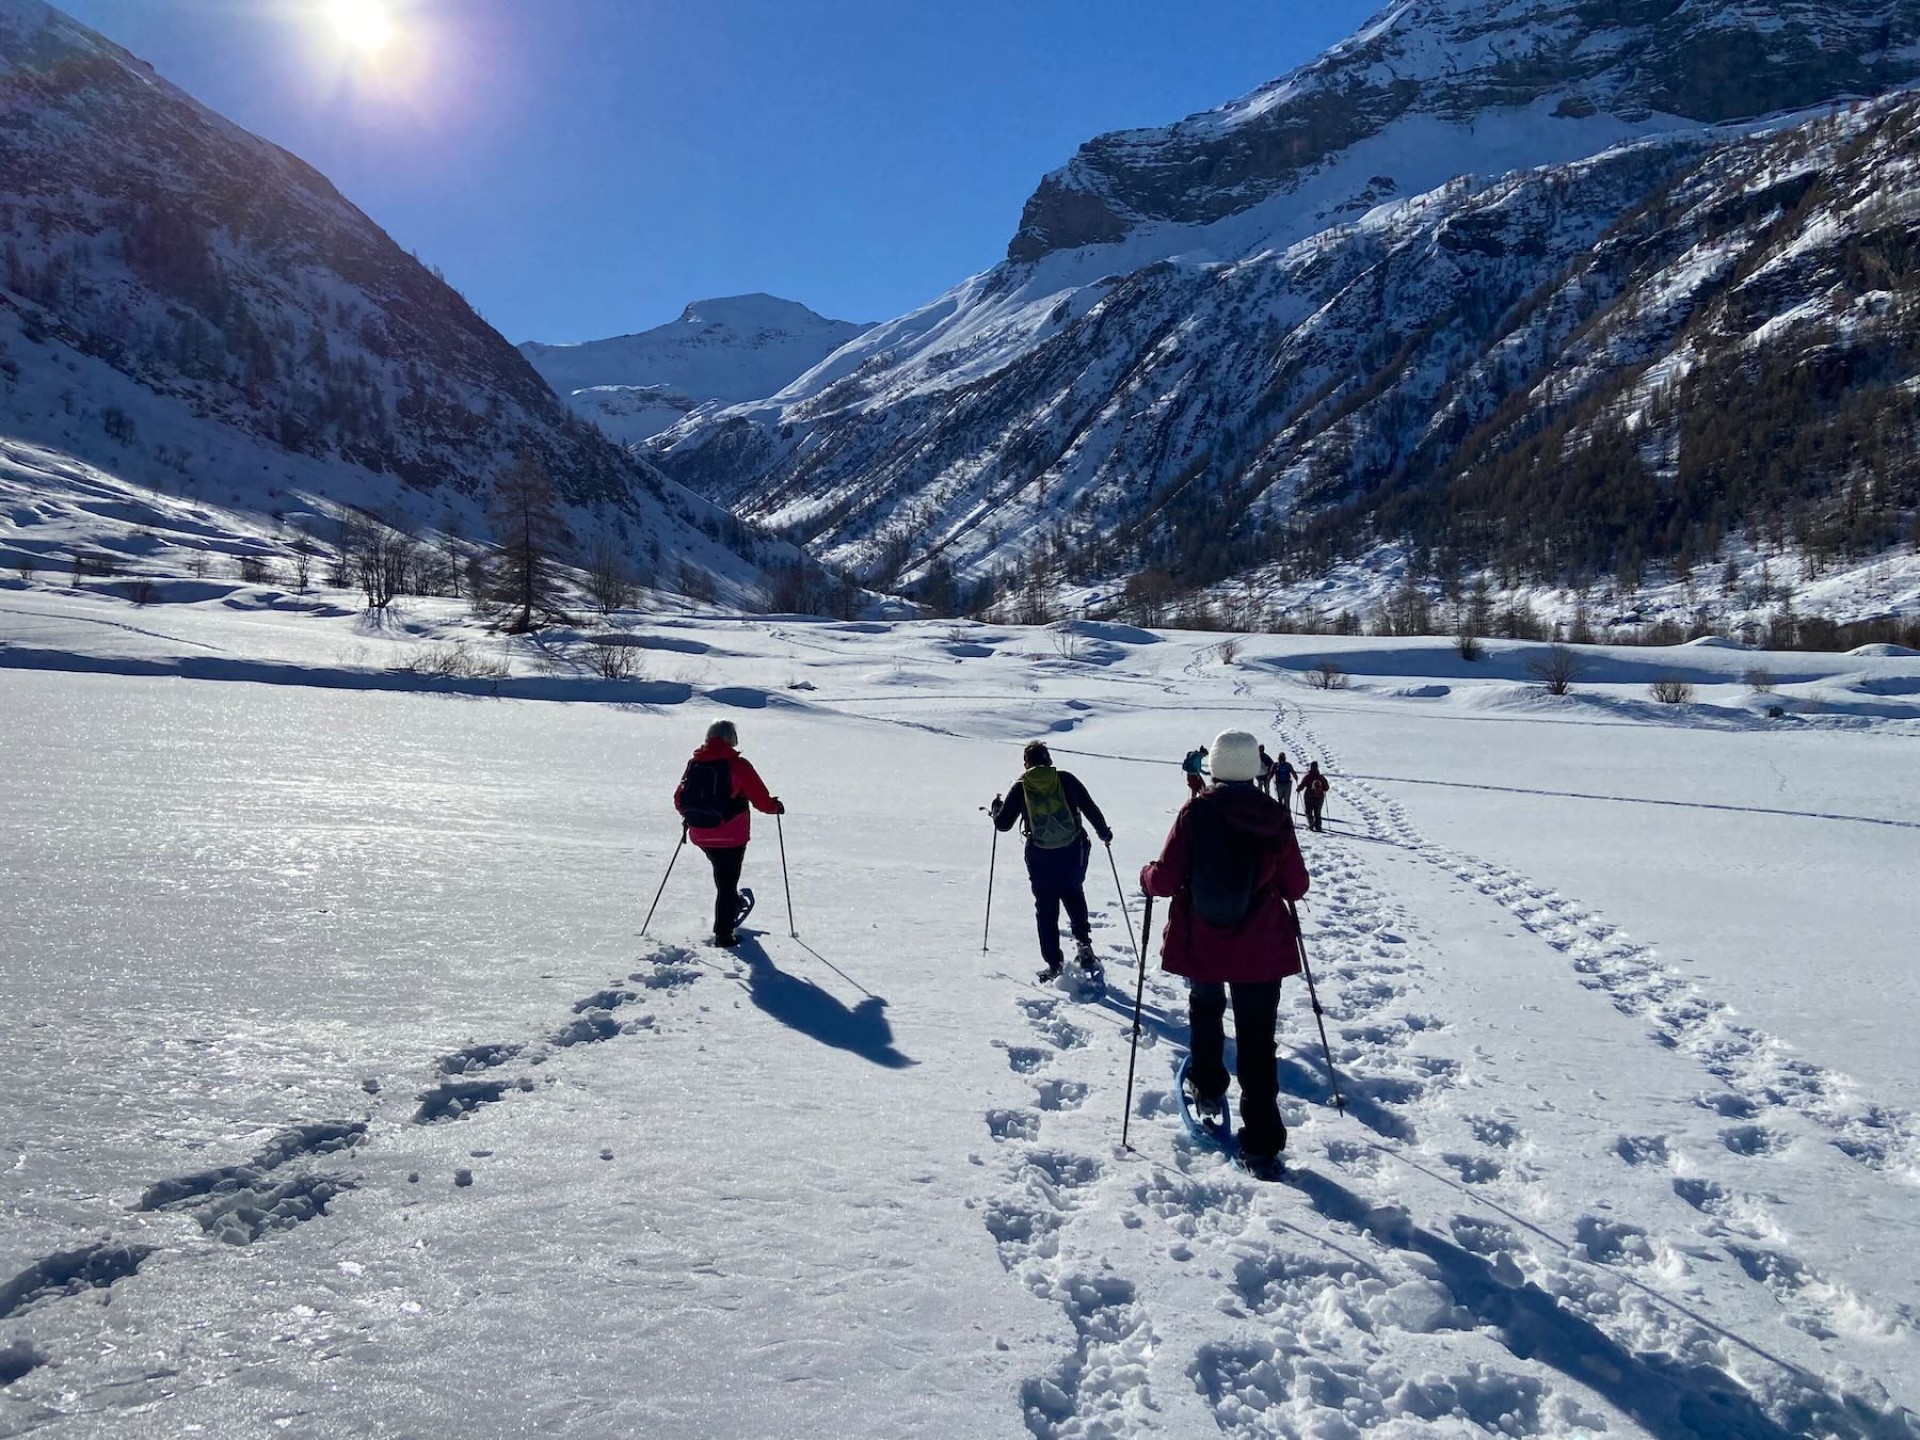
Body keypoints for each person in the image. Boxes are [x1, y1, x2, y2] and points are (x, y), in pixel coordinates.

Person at [1140, 729, 1309, 1174]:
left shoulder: (1196, 813)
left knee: (1205, 1008)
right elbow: (1297, 886)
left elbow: (1166, 878)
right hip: (1261, 948)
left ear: (1214, 766)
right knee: (1257, 1040)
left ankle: (1209, 1087)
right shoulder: (1274, 815)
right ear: (1255, 769)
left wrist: (1146, 877)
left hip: (1205, 942)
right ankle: (1262, 1141)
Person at [991, 741, 1113, 981]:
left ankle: (1054, 963)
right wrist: (1104, 833)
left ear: (1026, 763)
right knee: (1074, 893)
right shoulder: (1065, 779)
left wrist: (996, 810)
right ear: (1049, 760)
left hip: (1040, 855)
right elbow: (1089, 807)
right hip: (1072, 850)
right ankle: (1083, 944)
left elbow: (1003, 825)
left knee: (1046, 908)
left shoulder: (1021, 786)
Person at [673, 719, 783, 946]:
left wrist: (697, 816)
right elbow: (761, 800)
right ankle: (724, 934)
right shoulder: (738, 765)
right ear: (731, 739)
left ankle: (733, 902)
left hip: (700, 833)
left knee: (723, 876)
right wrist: (775, 807)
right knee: (726, 882)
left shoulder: (695, 763)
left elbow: (679, 799)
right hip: (731, 836)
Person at [1297, 761, 1330, 833]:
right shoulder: (1321, 777)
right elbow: (1326, 788)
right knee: (1317, 812)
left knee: (1308, 811)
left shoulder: (1308, 776)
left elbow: (1302, 784)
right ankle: (1318, 826)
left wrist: (1298, 789)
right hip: (1319, 797)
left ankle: (1311, 824)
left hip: (1309, 796)